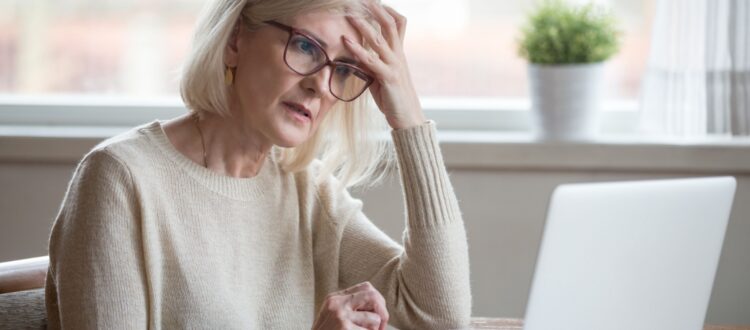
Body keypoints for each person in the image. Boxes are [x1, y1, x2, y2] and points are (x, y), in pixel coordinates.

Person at [44, 0, 472, 329]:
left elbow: (437, 313)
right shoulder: (119, 179)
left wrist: (408, 115)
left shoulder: (308, 191)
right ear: (234, 40)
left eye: (343, 70)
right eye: (306, 47)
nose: (320, 85)